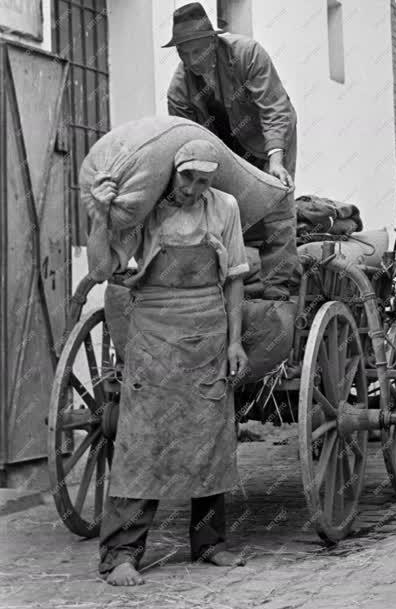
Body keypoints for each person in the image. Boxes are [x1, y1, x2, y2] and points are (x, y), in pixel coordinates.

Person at [87, 139, 250, 586]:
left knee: (209, 436)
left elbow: (234, 277)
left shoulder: (226, 208)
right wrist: (102, 215)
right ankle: (122, 552)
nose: (195, 188)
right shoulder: (145, 209)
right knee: (142, 441)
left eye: (204, 180)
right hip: (153, 331)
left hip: (208, 331)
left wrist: (235, 342)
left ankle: (209, 542)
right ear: (171, 171)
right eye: (187, 177)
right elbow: (103, 270)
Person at [165, 2, 301, 299]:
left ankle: (280, 284)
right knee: (223, 205)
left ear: (212, 42)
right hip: (224, 148)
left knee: (275, 195)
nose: (191, 61)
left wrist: (276, 159)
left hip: (268, 137)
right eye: (183, 54)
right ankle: (227, 278)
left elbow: (275, 109)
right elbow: (187, 142)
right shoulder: (178, 90)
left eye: (196, 51)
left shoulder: (248, 54)